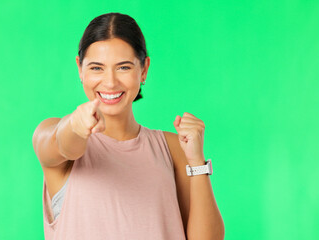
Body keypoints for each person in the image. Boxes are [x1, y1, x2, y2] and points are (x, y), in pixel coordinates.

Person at [32, 12, 224, 240]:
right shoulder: (52, 132)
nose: (110, 82)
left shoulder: (173, 149)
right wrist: (75, 125)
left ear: (143, 69)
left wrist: (196, 162)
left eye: (123, 67)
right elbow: (65, 144)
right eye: (96, 68)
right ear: (79, 68)